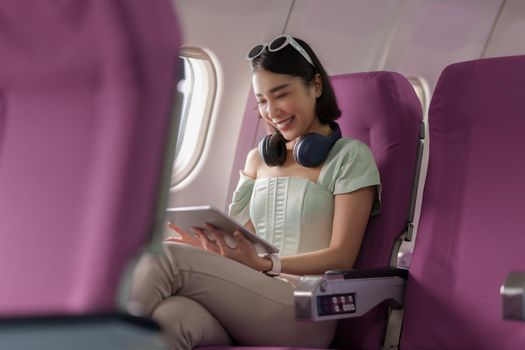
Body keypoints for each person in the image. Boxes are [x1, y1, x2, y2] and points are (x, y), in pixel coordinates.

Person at [129, 34, 382, 349]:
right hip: (248, 296)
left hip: (306, 309)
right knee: (169, 320)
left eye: (281, 94)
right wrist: (202, 240)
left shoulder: (350, 157)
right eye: (262, 100)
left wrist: (267, 265)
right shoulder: (258, 159)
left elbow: (341, 256)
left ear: (315, 86)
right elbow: (241, 237)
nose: (271, 110)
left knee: (167, 259)